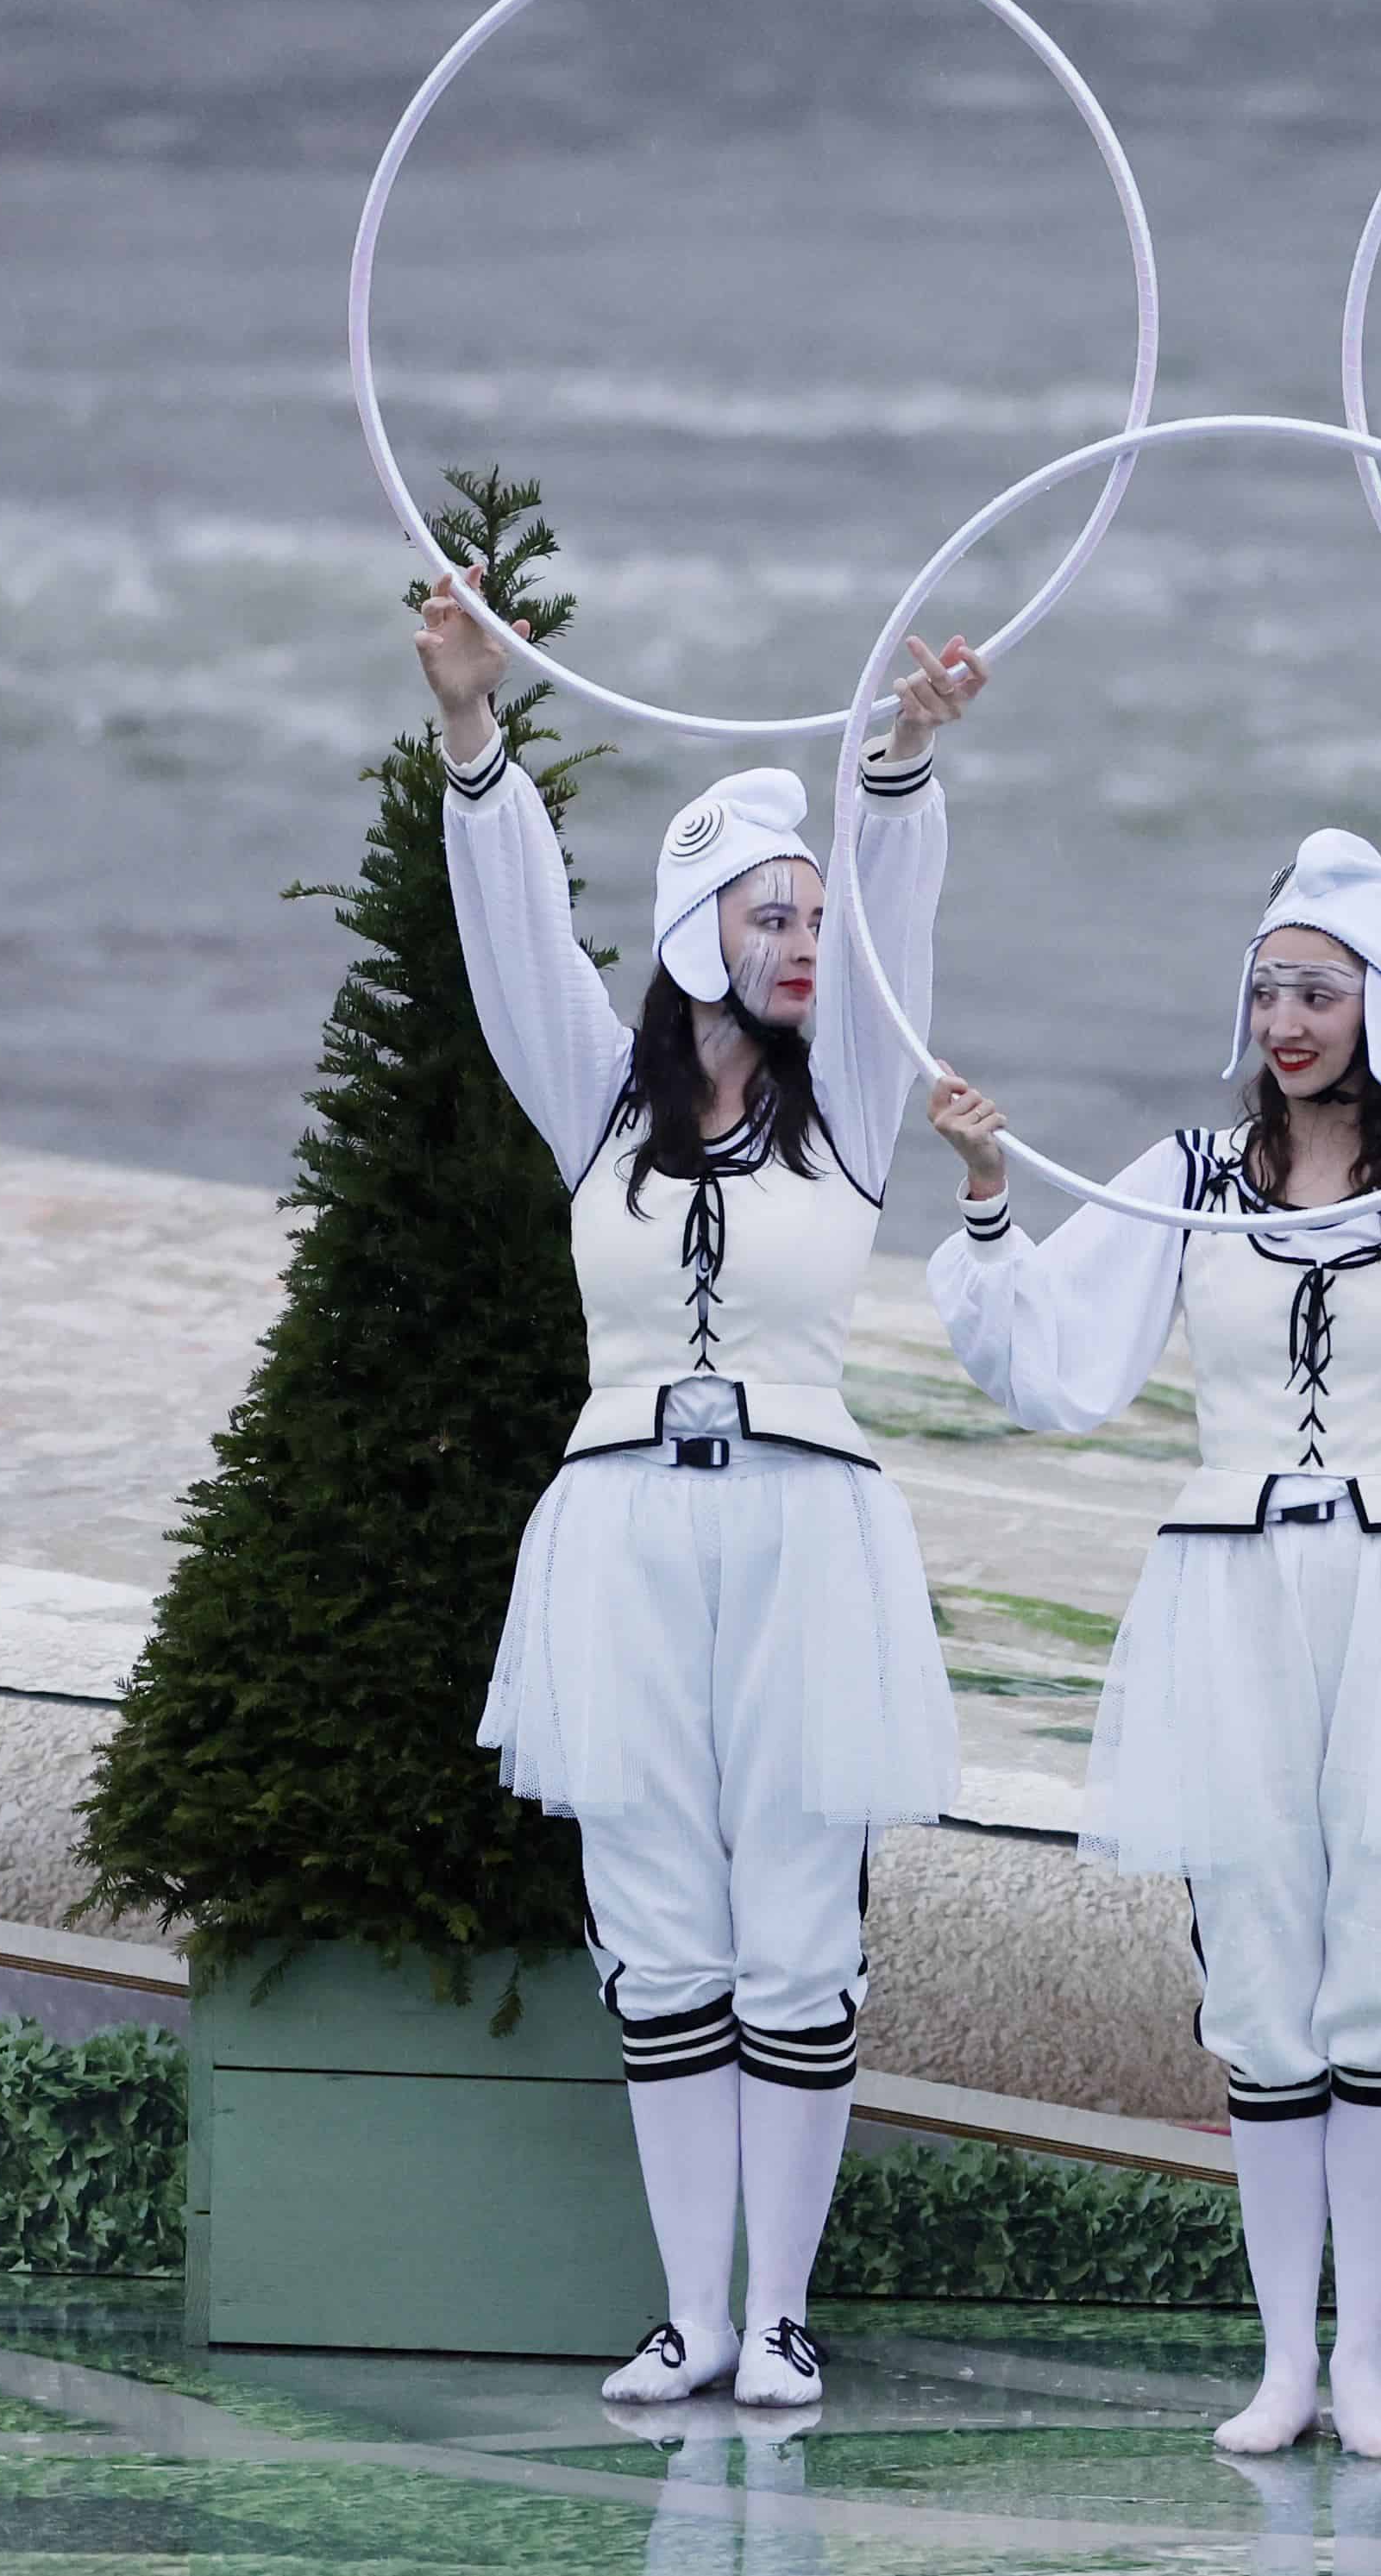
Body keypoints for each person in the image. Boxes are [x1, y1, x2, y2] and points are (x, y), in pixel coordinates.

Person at [922, 828, 1381, 2460]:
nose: (1287, 1016)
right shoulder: (1184, 1174)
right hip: (1227, 1594)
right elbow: (1053, 1368)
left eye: (1318, 988)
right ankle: (1279, 2365)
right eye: (1266, 986)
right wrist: (984, 1196)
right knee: (1256, 1971)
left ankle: (1370, 2363)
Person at [413, 571, 983, 2409]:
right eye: (770, 910)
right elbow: (514, 947)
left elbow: (897, 911)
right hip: (625, 1526)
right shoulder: (600, 1101)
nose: (807, 935)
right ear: (694, 934)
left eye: (813, 910)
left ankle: (784, 2314)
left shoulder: (858, 1102)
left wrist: (895, 768)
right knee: (658, 1917)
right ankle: (689, 2314)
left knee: (800, 1926)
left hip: (813, 1529)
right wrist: (470, 726)